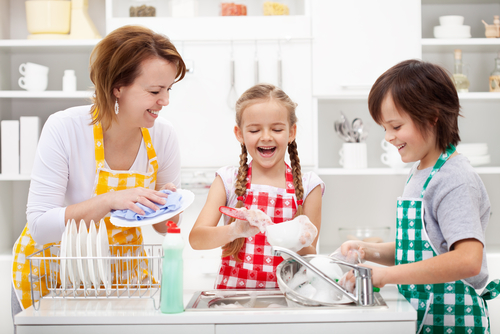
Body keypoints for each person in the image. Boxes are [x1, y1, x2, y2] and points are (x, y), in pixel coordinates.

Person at [11, 25, 186, 316]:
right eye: (155, 91)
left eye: (168, 89)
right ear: (117, 86)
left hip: (122, 275)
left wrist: (168, 207)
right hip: (51, 275)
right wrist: (110, 201)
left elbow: (163, 228)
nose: (165, 101)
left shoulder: (163, 136)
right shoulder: (65, 127)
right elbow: (40, 227)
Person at [339, 59, 499, 333]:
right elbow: (419, 251)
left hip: (454, 324)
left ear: (432, 115)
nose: (389, 137)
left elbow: (468, 260)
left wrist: (387, 275)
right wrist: (368, 249)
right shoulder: (420, 172)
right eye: (384, 128)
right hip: (425, 318)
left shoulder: (455, 178)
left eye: (396, 126)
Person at [189, 83, 324, 289]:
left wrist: (301, 240)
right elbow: (197, 240)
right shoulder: (227, 180)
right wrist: (235, 230)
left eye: (277, 129)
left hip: (287, 302)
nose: (266, 136)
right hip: (234, 303)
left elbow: (309, 256)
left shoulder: (309, 186)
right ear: (240, 134)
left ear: (291, 132)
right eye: (254, 130)